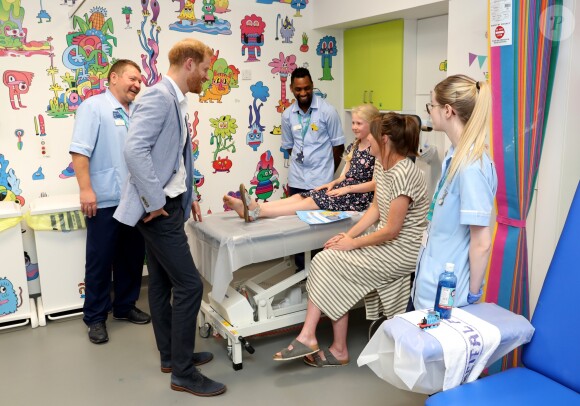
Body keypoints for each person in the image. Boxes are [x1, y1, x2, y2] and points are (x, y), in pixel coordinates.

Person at [113, 39, 226, 397]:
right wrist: (154, 201)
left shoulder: (175, 98)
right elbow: (134, 149)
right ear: (190, 64)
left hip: (169, 204)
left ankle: (171, 355)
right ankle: (183, 373)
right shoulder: (159, 97)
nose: (207, 76)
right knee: (191, 285)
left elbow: (171, 158)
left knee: (161, 283)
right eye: (206, 69)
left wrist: (185, 195)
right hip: (158, 211)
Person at [273, 112, 429, 366]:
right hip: (384, 241)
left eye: (372, 135)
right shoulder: (382, 164)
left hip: (401, 251)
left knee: (330, 262)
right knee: (328, 257)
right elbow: (376, 209)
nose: (367, 139)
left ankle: (328, 344)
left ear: (385, 139)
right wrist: (348, 235)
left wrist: (353, 243)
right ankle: (315, 338)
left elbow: (392, 230)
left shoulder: (405, 173)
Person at [69, 59, 151, 345]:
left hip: (134, 199)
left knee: (130, 257)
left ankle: (124, 307)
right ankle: (95, 317)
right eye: (132, 78)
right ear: (113, 77)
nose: (137, 84)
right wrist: (86, 189)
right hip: (104, 198)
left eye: (139, 80)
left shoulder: (137, 111)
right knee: (100, 260)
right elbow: (79, 152)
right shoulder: (94, 107)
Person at [410, 74, 497, 311]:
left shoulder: (471, 166)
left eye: (432, 106)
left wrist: (473, 294)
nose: (430, 112)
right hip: (429, 282)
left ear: (447, 110)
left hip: (449, 294)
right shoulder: (454, 155)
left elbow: (481, 242)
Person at [223, 104, 380, 220]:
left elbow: (375, 184)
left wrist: (348, 189)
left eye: (359, 123)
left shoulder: (377, 149)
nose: (354, 127)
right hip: (344, 189)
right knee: (300, 197)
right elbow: (345, 176)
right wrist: (332, 184)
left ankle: (258, 212)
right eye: (353, 123)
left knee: (311, 202)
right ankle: (253, 206)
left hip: (359, 196)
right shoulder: (355, 145)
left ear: (372, 124)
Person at [282, 67, 345, 270]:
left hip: (322, 181)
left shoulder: (328, 112)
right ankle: (301, 272)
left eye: (307, 88)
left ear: (312, 86)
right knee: (297, 228)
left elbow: (338, 147)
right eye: (298, 89)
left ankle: (322, 273)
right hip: (297, 179)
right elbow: (290, 146)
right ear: (291, 88)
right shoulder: (287, 116)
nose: (303, 93)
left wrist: (328, 173)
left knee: (320, 229)